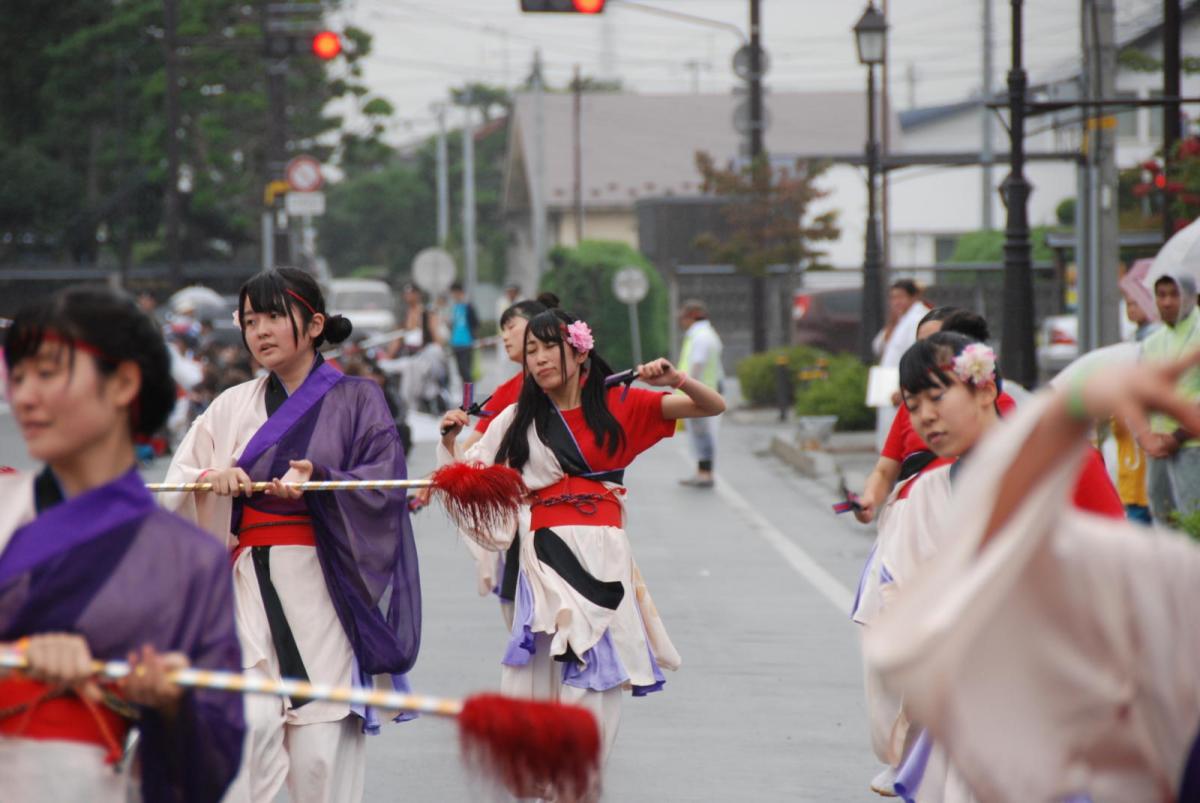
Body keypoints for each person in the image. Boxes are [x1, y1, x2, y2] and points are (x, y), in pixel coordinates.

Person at [864, 351, 1200, 802]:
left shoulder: (1074, 484)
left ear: (985, 390)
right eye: (913, 404)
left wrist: (1073, 407)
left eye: (936, 397)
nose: (925, 416)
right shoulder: (934, 487)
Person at [162, 268, 420, 803]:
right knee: (247, 729)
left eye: (274, 316)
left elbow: (383, 483)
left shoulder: (358, 399)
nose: (259, 331)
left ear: (315, 323)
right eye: (249, 320)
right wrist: (212, 480)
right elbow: (176, 484)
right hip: (244, 587)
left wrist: (321, 480)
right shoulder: (231, 404)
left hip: (322, 587)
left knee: (320, 753)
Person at [437, 308, 725, 778]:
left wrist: (676, 379)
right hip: (544, 556)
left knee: (593, 672)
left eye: (549, 347)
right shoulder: (516, 418)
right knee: (543, 666)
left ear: (579, 351)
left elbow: (711, 406)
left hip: (604, 555)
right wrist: (453, 442)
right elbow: (472, 475)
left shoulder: (621, 405)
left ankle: (575, 774)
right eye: (531, 350)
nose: (539, 358)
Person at [0, 286, 244, 802]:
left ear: (124, 383)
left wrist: (174, 705)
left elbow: (211, 765)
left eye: (47, 373)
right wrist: (17, 656)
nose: (24, 397)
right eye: (17, 377)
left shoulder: (187, 561)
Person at [1137, 273, 1200, 526]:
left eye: (1174, 294)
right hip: (1158, 447)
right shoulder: (1152, 342)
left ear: (1191, 297)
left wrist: (1178, 437)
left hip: (1192, 444)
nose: (1166, 302)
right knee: (1162, 520)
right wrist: (1145, 436)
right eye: (1161, 295)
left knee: (1193, 521)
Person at [872, 280, 931, 452]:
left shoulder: (919, 318)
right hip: (888, 381)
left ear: (913, 297)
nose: (896, 302)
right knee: (888, 431)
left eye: (900, 297)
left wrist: (905, 386)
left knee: (902, 434)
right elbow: (877, 346)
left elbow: (919, 355)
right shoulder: (900, 319)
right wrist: (891, 323)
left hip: (904, 383)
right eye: (893, 298)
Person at [676, 299, 725, 488]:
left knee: (702, 435)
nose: (681, 322)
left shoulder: (701, 337)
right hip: (704, 391)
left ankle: (705, 474)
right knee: (699, 435)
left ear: (692, 316)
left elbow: (697, 364)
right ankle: (701, 472)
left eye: (683, 317)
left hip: (700, 393)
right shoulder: (706, 334)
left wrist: (690, 388)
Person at [447, 281, 480, 386]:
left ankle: (469, 394)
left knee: (467, 372)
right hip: (455, 343)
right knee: (461, 372)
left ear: (459, 292)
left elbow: (475, 323)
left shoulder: (468, 306)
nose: (453, 296)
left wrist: (474, 340)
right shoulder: (454, 307)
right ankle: (465, 394)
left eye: (454, 293)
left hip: (466, 343)